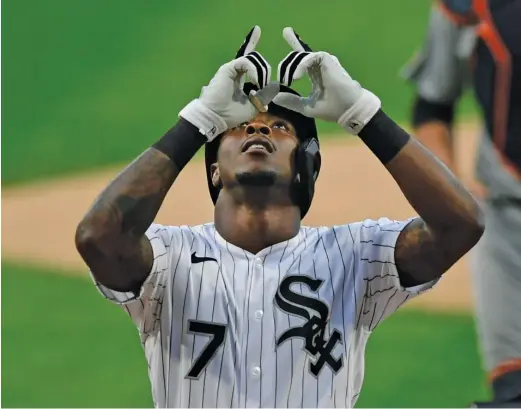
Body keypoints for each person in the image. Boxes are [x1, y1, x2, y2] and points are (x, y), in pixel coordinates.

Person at [75, 26, 484, 408]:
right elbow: (98, 237)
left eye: (280, 126)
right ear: (214, 168)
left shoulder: (357, 256)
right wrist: (198, 121)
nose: (260, 130)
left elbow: (460, 224)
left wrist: (363, 112)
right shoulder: (168, 257)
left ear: (306, 164)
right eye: (238, 127)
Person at [402, 0, 521, 406]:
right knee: (512, 394)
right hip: (507, 228)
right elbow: (432, 105)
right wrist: (455, 199)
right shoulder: (466, 7)